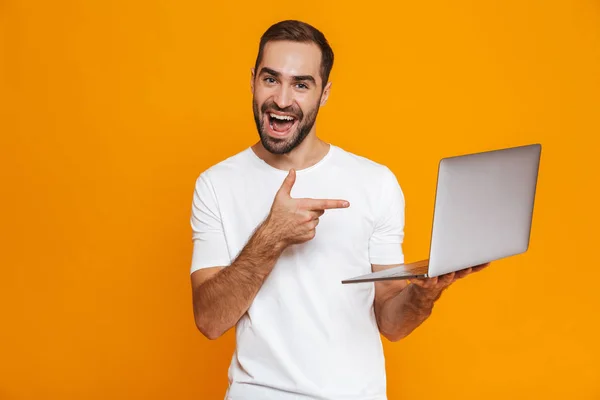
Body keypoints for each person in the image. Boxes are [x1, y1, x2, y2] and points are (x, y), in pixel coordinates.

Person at [188, 19, 488, 400]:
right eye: (270, 79)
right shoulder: (216, 184)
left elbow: (392, 322)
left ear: (324, 93)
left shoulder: (375, 182)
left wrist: (425, 294)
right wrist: (271, 236)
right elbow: (211, 321)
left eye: (301, 84)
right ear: (252, 81)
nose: (282, 99)